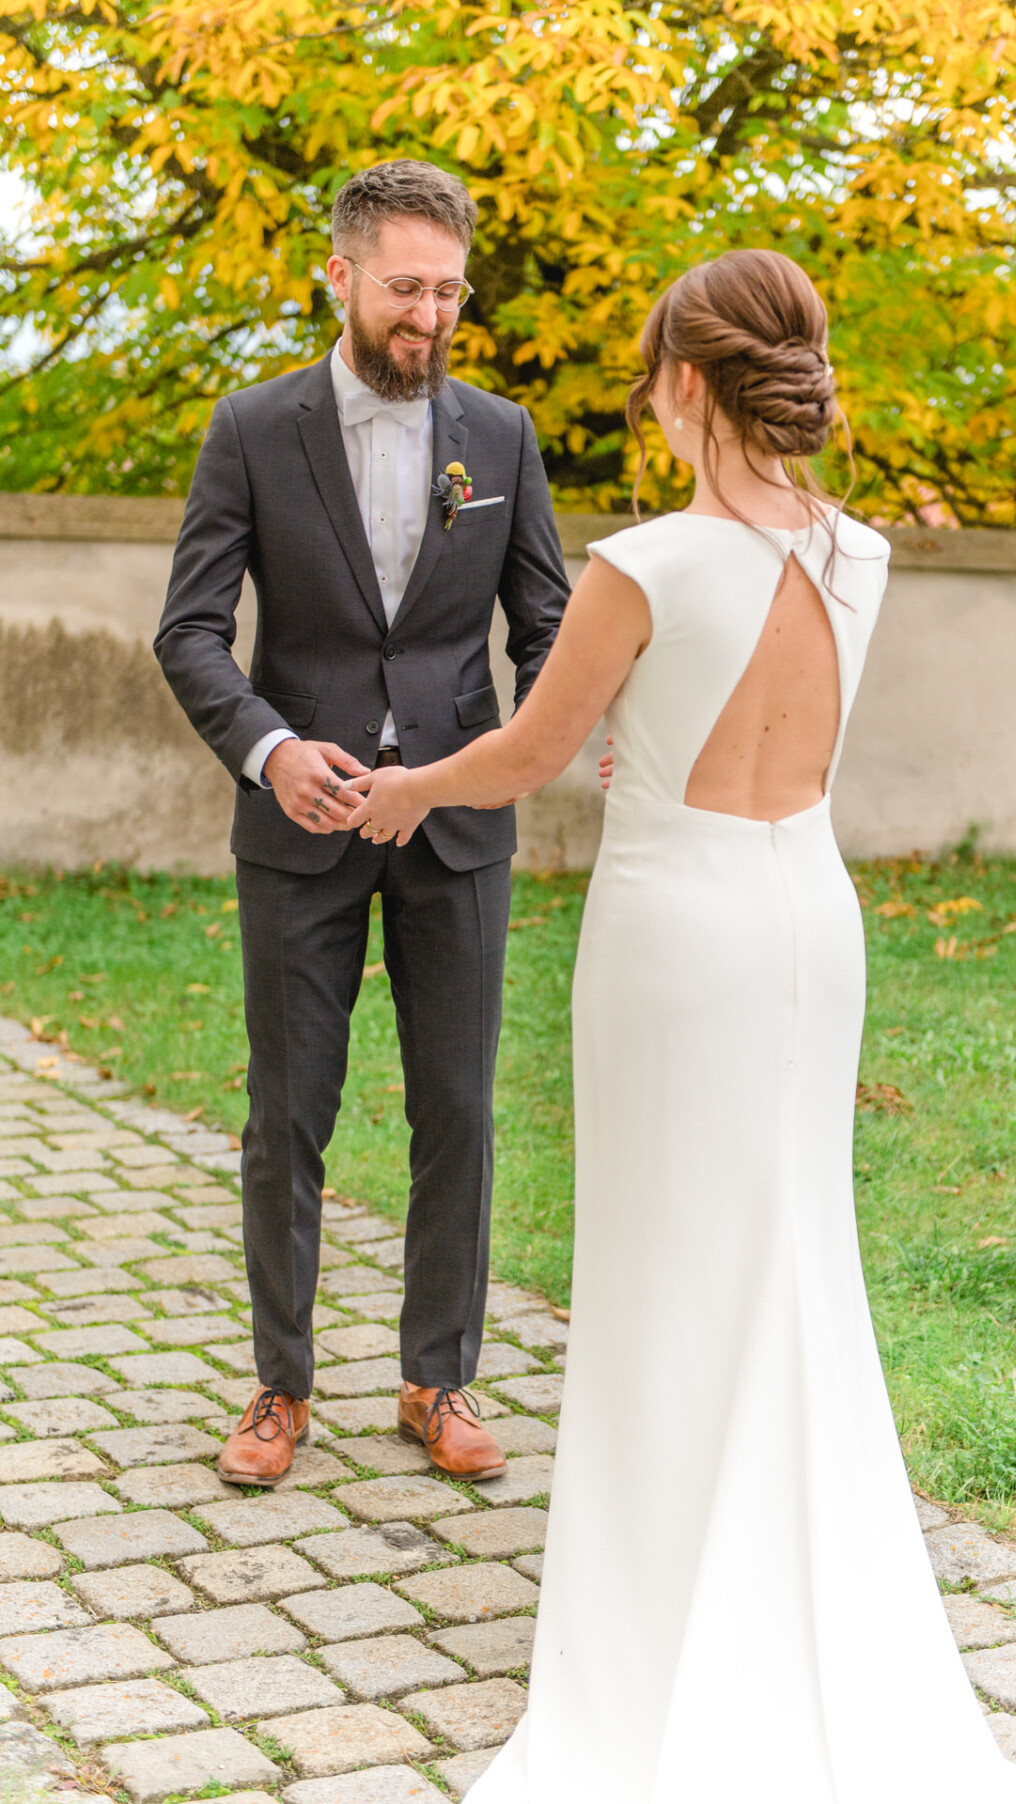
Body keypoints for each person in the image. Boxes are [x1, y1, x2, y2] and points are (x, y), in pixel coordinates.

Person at [342, 248, 1016, 1801]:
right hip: (809, 914)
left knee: (668, 1269)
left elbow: (529, 753)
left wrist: (403, 788)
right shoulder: (863, 555)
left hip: (678, 933)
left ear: (682, 382)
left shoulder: (646, 566)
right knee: (791, 1252)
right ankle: (793, 1598)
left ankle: (667, 1639)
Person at [154, 160, 569, 1488]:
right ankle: (280, 1388)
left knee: (458, 1109)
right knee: (288, 1114)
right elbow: (189, 631)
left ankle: (438, 1377)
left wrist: (524, 746)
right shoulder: (249, 429)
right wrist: (270, 752)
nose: (428, 317)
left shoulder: (501, 436)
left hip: (456, 822)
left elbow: (548, 625)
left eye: (448, 292)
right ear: (339, 276)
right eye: (404, 289)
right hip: (302, 824)